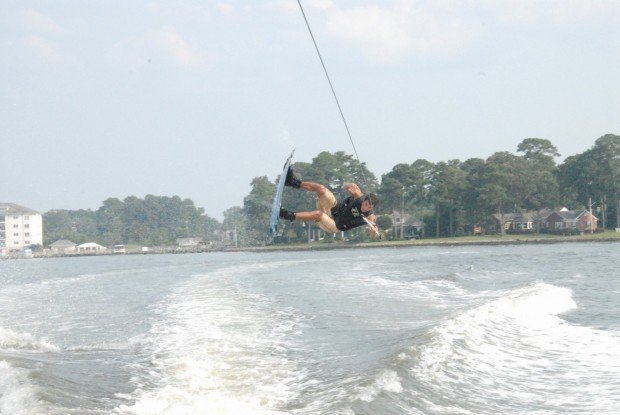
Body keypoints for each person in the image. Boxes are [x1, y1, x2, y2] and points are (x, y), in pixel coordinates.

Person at [279, 167, 380, 239]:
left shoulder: (370, 217)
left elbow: (373, 236)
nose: (365, 208)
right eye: (366, 204)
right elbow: (345, 186)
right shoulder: (359, 196)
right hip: (333, 207)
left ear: (372, 208)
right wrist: (349, 185)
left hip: (335, 225)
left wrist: (373, 232)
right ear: (364, 199)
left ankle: (286, 215)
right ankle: (292, 182)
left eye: (369, 207)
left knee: (318, 214)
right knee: (321, 188)